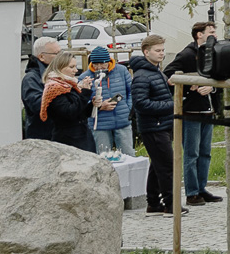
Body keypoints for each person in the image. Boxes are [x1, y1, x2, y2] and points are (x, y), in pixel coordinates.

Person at [166, 22, 219, 205]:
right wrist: (191, 85)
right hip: (191, 111)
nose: (214, 35)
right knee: (192, 153)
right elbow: (169, 75)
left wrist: (211, 88)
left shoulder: (213, 52)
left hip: (208, 109)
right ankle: (192, 192)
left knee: (205, 152)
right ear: (199, 35)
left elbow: (218, 77)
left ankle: (202, 188)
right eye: (211, 32)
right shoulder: (187, 54)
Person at [129, 34, 178, 215]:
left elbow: (158, 93)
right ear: (146, 52)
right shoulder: (142, 75)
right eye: (158, 50)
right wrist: (172, 106)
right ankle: (170, 204)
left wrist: (170, 87)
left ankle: (153, 203)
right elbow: (141, 103)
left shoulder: (155, 71)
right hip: (153, 126)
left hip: (161, 124)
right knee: (166, 166)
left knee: (157, 165)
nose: (162, 54)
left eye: (163, 50)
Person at [39, 51, 97, 152]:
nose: (75, 70)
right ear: (60, 67)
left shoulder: (70, 84)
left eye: (75, 66)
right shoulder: (54, 87)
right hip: (68, 141)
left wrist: (93, 105)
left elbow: (80, 113)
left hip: (81, 137)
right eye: (71, 67)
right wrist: (85, 93)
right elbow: (69, 113)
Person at [86, 46, 135, 158]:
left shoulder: (122, 71)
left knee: (128, 155)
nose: (99, 67)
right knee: (103, 157)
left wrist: (128, 109)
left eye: (102, 63)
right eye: (95, 64)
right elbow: (83, 101)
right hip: (100, 124)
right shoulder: (86, 77)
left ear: (109, 61)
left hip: (122, 121)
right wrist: (99, 106)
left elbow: (131, 91)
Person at [21, 37, 59, 141]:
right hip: (43, 138)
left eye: (61, 52)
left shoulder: (58, 74)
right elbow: (38, 106)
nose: (60, 57)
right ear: (42, 56)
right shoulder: (31, 79)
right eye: (56, 54)